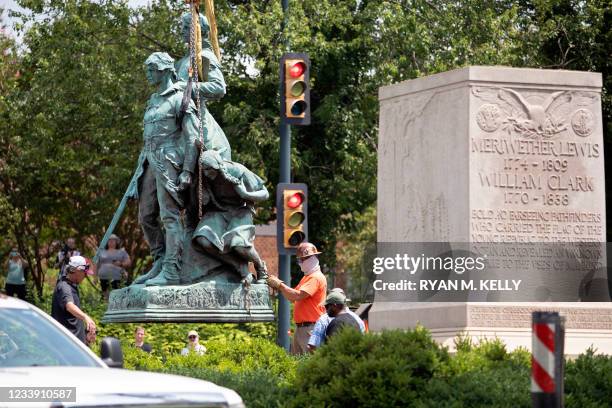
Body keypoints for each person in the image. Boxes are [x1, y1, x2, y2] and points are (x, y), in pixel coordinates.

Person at [127, 52, 200, 286]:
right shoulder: (153, 100)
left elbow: (193, 138)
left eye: (152, 69)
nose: (148, 74)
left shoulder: (180, 99)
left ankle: (171, 270)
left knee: (169, 217)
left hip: (169, 162)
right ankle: (159, 260)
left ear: (165, 70)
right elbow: (147, 138)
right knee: (146, 216)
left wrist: (187, 170)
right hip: (148, 162)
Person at [192, 150, 269, 284]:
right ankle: (240, 268)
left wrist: (246, 194)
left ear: (218, 166)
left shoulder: (237, 170)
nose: (206, 173)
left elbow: (265, 194)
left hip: (240, 211)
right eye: (203, 170)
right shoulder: (204, 179)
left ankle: (261, 267)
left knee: (239, 245)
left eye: (209, 170)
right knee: (203, 239)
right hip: (219, 211)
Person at [176, 12, 231, 161]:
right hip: (176, 116)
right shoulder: (182, 62)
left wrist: (186, 87)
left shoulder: (206, 56)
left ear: (198, 31)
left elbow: (219, 87)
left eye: (187, 27)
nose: (182, 30)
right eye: (182, 26)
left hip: (196, 118)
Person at [266, 242, 327, 355]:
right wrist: (279, 287)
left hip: (310, 328)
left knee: (310, 364)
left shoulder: (316, 277)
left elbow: (298, 295)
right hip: (303, 328)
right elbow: (292, 298)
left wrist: (280, 285)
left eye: (301, 260)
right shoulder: (307, 277)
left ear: (311, 258)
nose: (300, 263)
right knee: (298, 364)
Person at [51, 256, 96, 344]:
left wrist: (86, 336)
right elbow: (70, 306)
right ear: (77, 270)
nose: (85, 275)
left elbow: (72, 319)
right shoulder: (64, 287)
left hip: (76, 344)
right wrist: (85, 317)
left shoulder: (72, 286)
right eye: (84, 272)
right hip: (67, 345)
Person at [96, 234, 131, 300]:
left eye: (113, 240)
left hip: (117, 277)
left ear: (116, 241)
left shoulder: (121, 252)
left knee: (117, 295)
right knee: (106, 295)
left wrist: (121, 264)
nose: (111, 242)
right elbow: (97, 264)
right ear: (107, 242)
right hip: (103, 277)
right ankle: (107, 307)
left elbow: (128, 262)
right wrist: (95, 277)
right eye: (109, 240)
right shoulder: (102, 252)